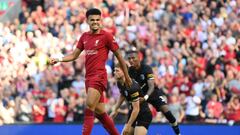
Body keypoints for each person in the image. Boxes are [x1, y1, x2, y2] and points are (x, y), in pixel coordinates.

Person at [49, 8, 132, 135]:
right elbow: (74, 55)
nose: (95, 22)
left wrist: (127, 77)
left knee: (89, 106)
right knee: (100, 113)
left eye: (97, 20)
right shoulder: (84, 37)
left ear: (101, 20)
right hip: (88, 78)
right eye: (92, 20)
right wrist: (59, 59)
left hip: (99, 76)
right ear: (87, 21)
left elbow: (120, 57)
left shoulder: (107, 36)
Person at [127, 50, 181, 135]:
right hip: (139, 95)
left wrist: (145, 97)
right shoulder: (129, 71)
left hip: (152, 93)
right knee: (136, 112)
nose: (131, 60)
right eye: (129, 58)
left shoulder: (146, 68)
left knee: (166, 110)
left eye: (133, 58)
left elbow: (151, 86)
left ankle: (178, 132)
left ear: (139, 58)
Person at [111, 64, 152, 135]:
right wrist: (115, 109)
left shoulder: (132, 86)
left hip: (143, 114)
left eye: (117, 71)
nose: (114, 72)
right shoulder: (119, 83)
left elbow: (136, 109)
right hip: (133, 113)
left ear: (124, 72)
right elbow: (123, 95)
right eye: (114, 70)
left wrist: (128, 125)